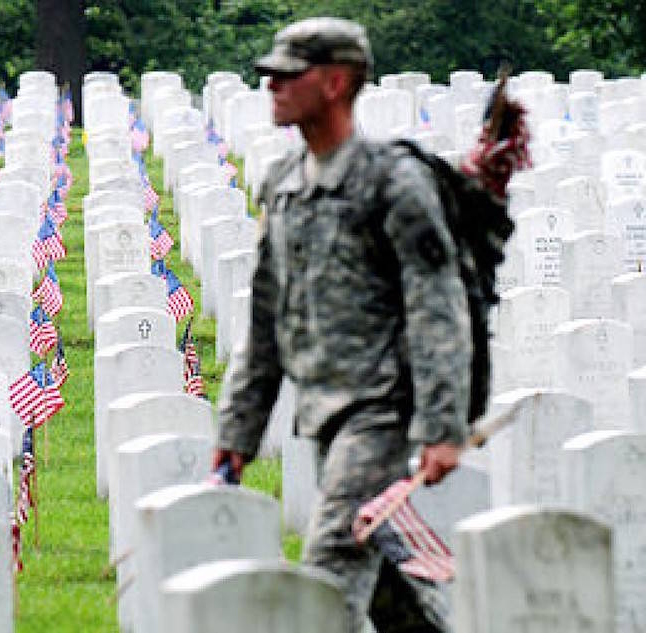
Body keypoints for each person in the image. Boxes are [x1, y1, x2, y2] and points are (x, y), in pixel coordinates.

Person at [213, 17, 469, 633]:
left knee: (327, 575)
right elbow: (268, 315)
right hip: (323, 412)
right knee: (384, 587)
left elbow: (437, 304)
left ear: (334, 83)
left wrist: (442, 424)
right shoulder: (284, 185)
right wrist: (239, 428)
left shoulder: (392, 182)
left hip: (382, 412)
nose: (271, 86)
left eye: (287, 75)